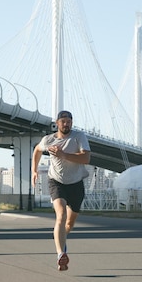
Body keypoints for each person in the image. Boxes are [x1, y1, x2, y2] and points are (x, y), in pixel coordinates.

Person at [32, 110, 91, 271]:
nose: (66, 124)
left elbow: (86, 158)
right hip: (56, 182)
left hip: (76, 183)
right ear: (57, 123)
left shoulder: (79, 137)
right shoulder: (49, 139)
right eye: (63, 121)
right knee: (61, 216)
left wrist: (63, 154)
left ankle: (62, 241)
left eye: (69, 121)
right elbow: (37, 150)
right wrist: (34, 170)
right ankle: (60, 254)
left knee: (69, 223)